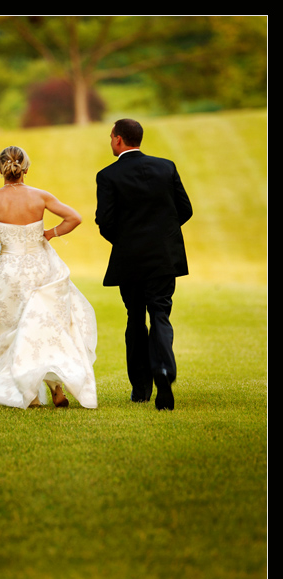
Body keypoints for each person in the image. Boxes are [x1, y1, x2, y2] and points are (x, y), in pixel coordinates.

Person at [0, 145, 98, 410]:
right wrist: (50, 233)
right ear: (26, 169)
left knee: (11, 327)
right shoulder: (41, 196)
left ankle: (28, 395)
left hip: (10, 271)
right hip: (41, 267)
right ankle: (57, 387)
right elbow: (74, 218)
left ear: (1, 169)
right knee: (44, 325)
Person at [95, 118, 192, 410]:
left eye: (111, 137)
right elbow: (184, 209)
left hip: (130, 260)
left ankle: (140, 388)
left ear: (119, 140)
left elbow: (105, 222)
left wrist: (127, 242)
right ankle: (163, 371)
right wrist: (162, 236)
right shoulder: (167, 167)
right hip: (164, 258)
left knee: (135, 317)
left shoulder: (107, 175)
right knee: (160, 313)